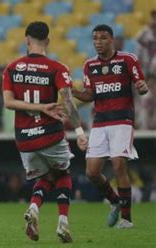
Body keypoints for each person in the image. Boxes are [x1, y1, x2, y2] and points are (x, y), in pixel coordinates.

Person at [2, 21, 88, 243]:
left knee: (45, 177)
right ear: (47, 41)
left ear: (26, 40)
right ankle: (63, 222)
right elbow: (68, 101)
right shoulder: (57, 68)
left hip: (24, 139)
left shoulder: (11, 67)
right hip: (50, 134)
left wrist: (36, 108)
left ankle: (33, 207)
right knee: (63, 174)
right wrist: (79, 130)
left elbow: (8, 103)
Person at [72, 24, 149, 229]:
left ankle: (126, 219)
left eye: (103, 38)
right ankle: (114, 201)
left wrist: (143, 87)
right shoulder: (90, 65)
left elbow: (141, 85)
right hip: (100, 122)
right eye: (95, 38)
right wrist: (72, 91)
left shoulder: (127, 59)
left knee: (118, 165)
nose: (98, 42)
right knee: (92, 172)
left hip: (122, 120)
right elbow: (90, 96)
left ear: (112, 39)